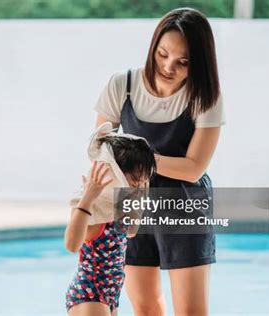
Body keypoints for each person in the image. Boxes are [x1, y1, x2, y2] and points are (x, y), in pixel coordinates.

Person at [93, 8, 225, 316]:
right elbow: (100, 150)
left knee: (191, 311)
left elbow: (193, 168)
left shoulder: (205, 97)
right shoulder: (121, 85)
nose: (168, 67)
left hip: (184, 204)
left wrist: (135, 157)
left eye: (184, 62)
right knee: (145, 306)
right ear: (153, 46)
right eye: (162, 54)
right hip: (130, 204)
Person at [64, 134, 157, 316]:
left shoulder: (116, 207)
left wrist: (140, 195)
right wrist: (88, 198)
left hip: (110, 295)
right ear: (116, 173)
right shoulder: (93, 207)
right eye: (136, 177)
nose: (140, 181)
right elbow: (71, 245)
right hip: (90, 293)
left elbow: (131, 231)